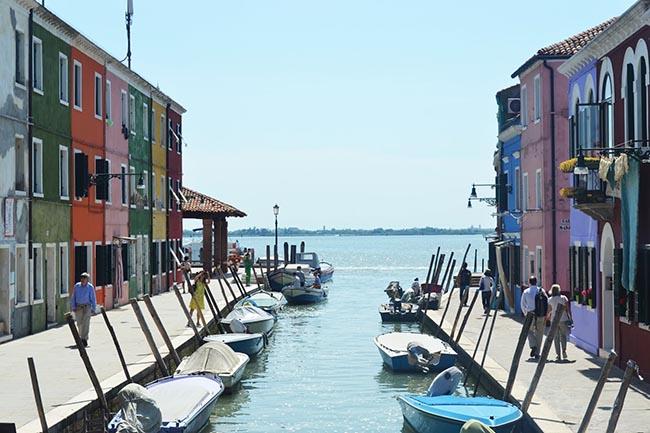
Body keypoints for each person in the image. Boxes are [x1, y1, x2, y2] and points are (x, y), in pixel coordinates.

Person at [520, 275, 548, 359]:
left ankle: (533, 345)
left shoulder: (526, 292)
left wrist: (526, 313)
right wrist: (545, 314)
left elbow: (522, 304)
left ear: (529, 282)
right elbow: (547, 301)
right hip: (540, 315)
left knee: (528, 331)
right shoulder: (541, 290)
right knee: (539, 334)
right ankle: (537, 353)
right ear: (536, 282)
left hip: (530, 314)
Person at [70, 272, 96, 348]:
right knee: (79, 323)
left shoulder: (90, 287)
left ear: (87, 279)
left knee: (86, 323)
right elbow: (73, 297)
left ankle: (84, 339)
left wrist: (93, 309)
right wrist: (73, 306)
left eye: (84, 278)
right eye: (82, 278)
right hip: (78, 307)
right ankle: (81, 337)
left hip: (87, 307)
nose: (83, 279)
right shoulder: (77, 286)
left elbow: (93, 298)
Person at [547, 284, 572, 361]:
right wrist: (570, 317)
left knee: (556, 337)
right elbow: (568, 309)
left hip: (554, 320)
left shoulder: (550, 299)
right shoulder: (564, 298)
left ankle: (558, 354)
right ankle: (564, 350)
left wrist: (548, 317)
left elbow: (549, 311)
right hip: (563, 319)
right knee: (563, 336)